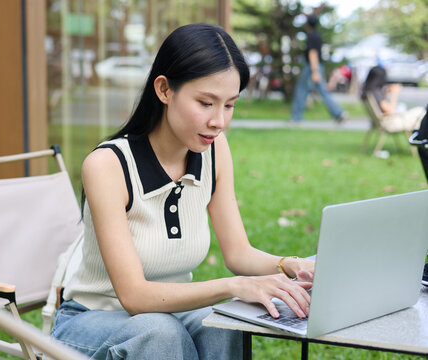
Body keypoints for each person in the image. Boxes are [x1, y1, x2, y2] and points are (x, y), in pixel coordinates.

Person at [51, 23, 315, 360]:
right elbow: (133, 296)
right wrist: (234, 287)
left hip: (168, 314)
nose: (219, 121)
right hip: (92, 319)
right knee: (161, 334)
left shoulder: (215, 150)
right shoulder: (108, 165)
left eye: (229, 105)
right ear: (164, 89)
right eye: (206, 103)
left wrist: (292, 265)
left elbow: (237, 254)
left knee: (219, 323)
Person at [290, 15, 346, 123]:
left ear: (307, 25)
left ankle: (296, 117)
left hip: (312, 67)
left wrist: (314, 71)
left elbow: (312, 53)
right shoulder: (318, 36)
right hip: (317, 66)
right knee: (323, 91)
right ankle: (338, 112)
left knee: (301, 90)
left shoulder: (311, 36)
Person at [361, 65, 426, 133]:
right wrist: (394, 93)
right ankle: (421, 136)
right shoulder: (375, 92)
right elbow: (390, 111)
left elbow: (381, 108)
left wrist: (386, 92)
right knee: (421, 111)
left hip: (382, 122)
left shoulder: (369, 92)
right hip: (390, 123)